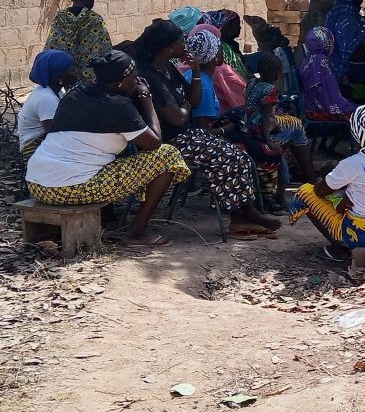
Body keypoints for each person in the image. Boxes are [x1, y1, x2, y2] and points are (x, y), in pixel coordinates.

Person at [25, 50, 190, 247]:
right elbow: (154, 142)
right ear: (118, 83)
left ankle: (109, 220)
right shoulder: (119, 106)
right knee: (168, 155)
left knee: (105, 161)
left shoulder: (75, 94)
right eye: (134, 77)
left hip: (37, 185)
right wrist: (146, 97)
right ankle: (136, 232)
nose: (137, 81)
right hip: (70, 189)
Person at [136, 20, 282, 238]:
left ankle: (243, 214)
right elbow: (177, 118)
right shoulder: (152, 77)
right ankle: (241, 215)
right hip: (171, 142)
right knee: (227, 157)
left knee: (239, 156)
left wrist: (195, 70)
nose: (185, 45)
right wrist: (186, 104)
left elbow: (193, 101)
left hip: (187, 135)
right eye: (181, 41)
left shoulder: (168, 69)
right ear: (169, 47)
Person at [289, 104, 365, 262]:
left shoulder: (352, 163)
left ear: (357, 132)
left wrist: (339, 189)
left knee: (305, 192)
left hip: (360, 234)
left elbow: (319, 191)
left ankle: (338, 249)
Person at [224, 55, 317, 209]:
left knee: (291, 129)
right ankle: (304, 182)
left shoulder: (251, 82)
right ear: (277, 74)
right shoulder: (271, 90)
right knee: (293, 131)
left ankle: (301, 179)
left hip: (246, 124)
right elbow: (266, 117)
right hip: (260, 130)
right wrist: (268, 141)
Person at [45, 0, 111, 83]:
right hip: (91, 81)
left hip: (65, 77)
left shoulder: (60, 17)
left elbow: (52, 44)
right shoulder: (95, 19)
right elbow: (106, 50)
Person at [18, 50, 78, 159]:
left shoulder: (54, 91)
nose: (76, 72)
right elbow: (55, 135)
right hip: (34, 151)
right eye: (72, 70)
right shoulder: (47, 99)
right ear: (58, 78)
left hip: (44, 144)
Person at [299, 27, 357, 120]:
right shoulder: (321, 62)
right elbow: (330, 94)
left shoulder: (308, 59)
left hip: (310, 107)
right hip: (320, 112)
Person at [189, 24, 247, 112]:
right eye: (219, 46)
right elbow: (244, 103)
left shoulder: (188, 71)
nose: (223, 50)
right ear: (213, 55)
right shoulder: (221, 74)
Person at [324, 0, 365, 78]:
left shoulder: (335, 12)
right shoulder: (347, 19)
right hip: (343, 68)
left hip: (333, 63)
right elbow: (352, 53)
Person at [199, 9, 250, 81]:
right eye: (237, 24)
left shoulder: (232, 45)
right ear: (225, 27)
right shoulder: (221, 50)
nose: (239, 27)